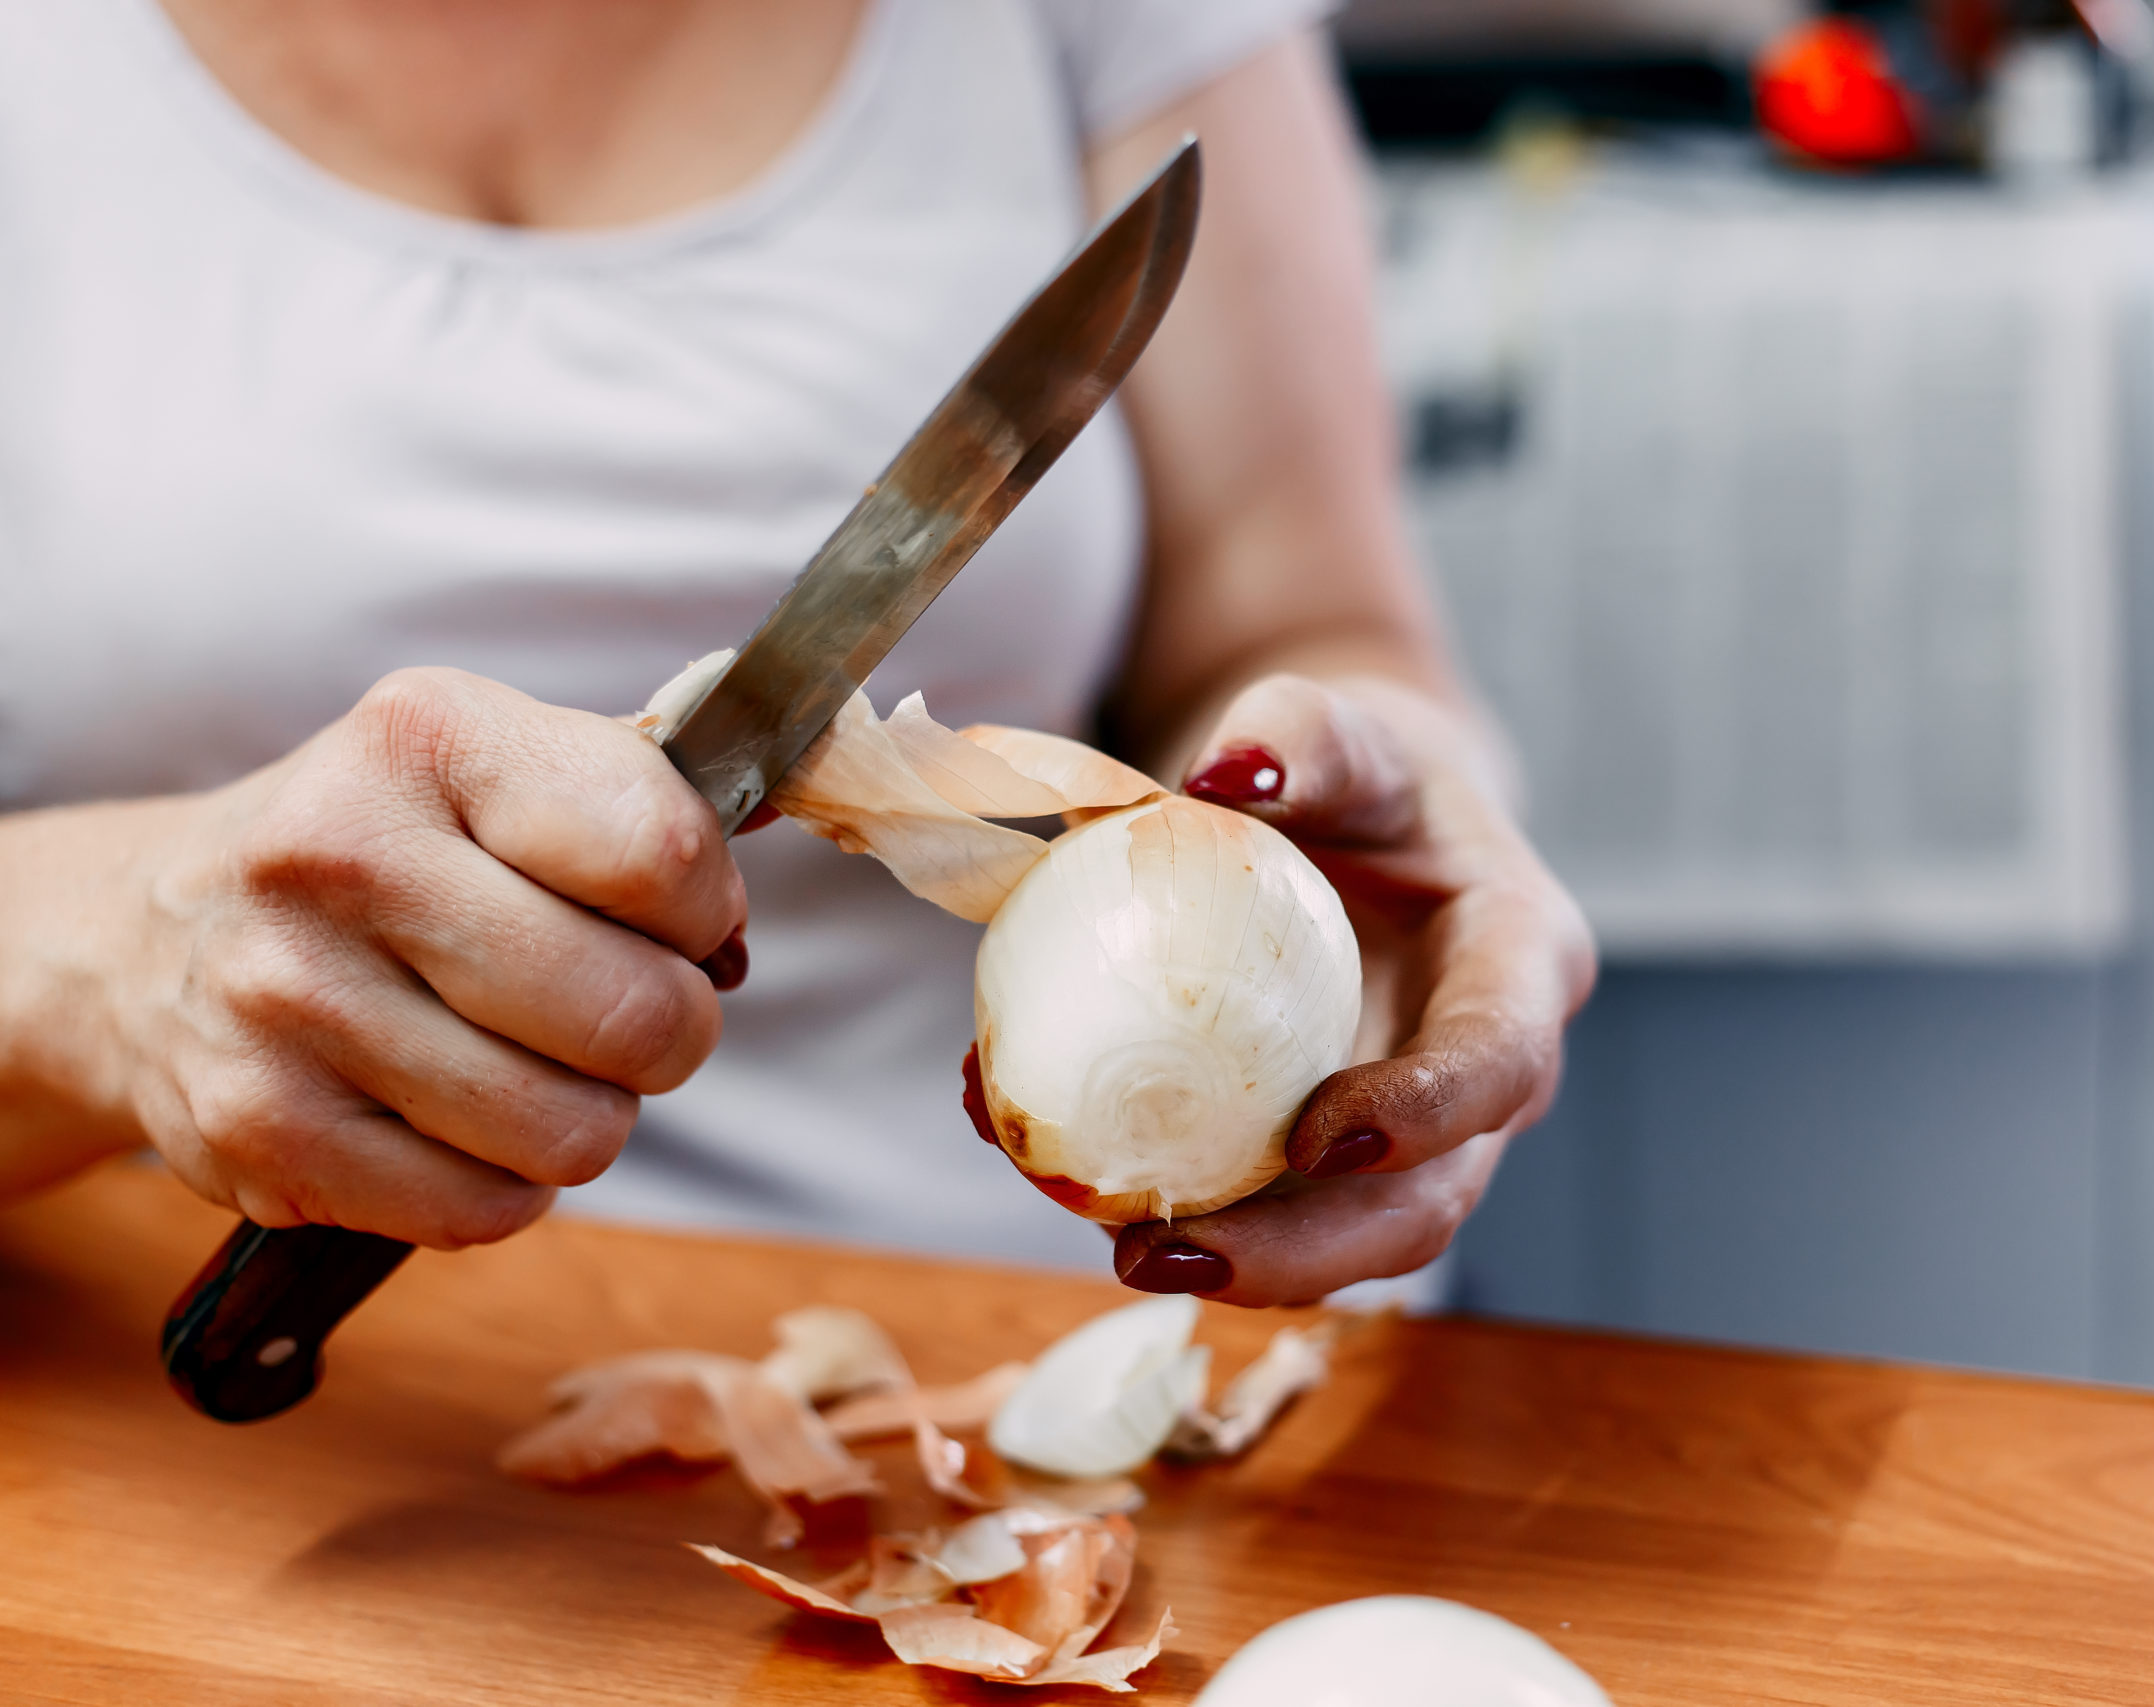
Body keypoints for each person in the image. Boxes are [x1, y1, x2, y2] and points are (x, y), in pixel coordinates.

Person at [0, 0, 1594, 1307]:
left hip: (1098, 1332)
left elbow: (1310, 617)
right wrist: (105, 959)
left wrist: (1390, 814)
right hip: (274, 1407)